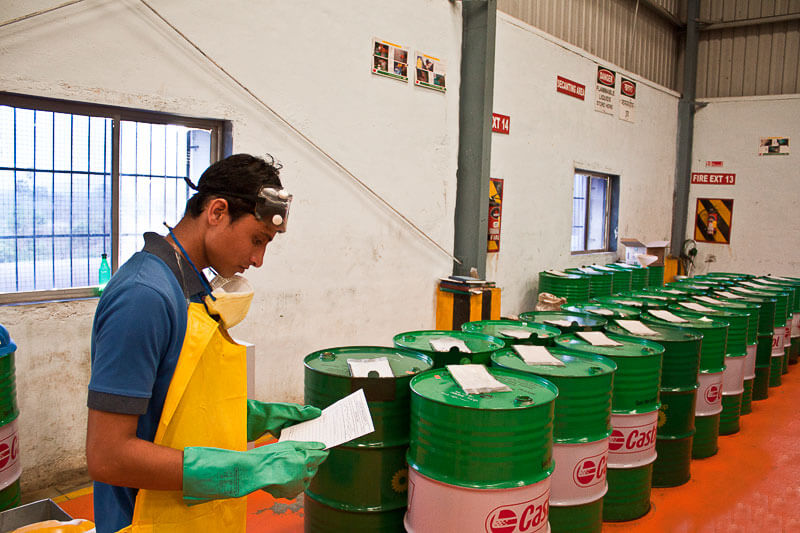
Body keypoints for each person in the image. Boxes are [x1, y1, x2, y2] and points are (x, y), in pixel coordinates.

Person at [86, 154, 328, 533]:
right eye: (256, 240)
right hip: (144, 520)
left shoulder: (190, 286)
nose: (258, 259)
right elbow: (108, 456)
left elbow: (176, 403)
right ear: (217, 211)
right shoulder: (144, 296)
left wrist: (257, 418)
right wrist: (248, 469)